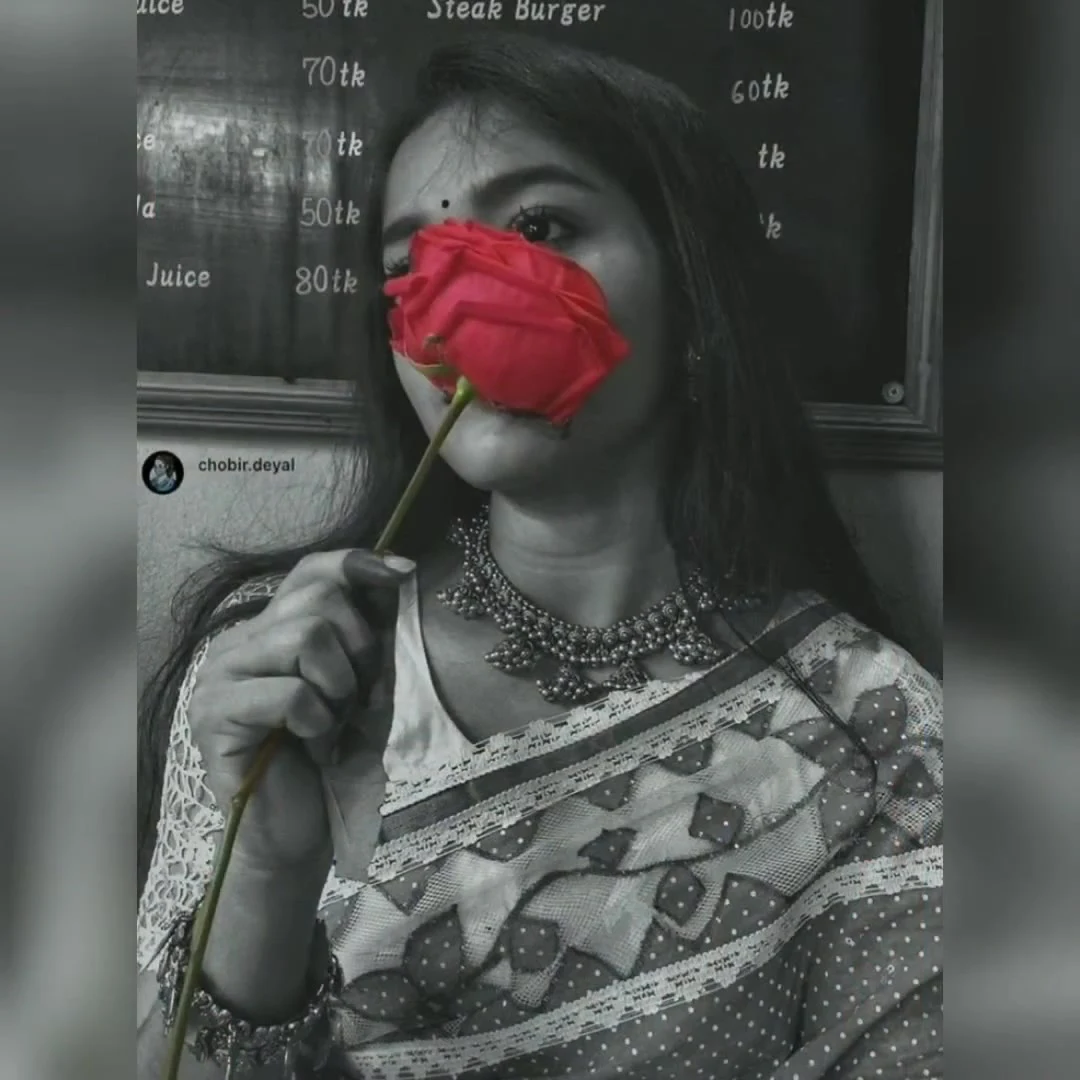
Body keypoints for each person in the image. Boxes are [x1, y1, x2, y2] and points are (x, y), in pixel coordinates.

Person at [136, 34, 943, 1080]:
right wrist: (266, 872)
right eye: (407, 267)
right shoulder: (284, 669)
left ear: (694, 292)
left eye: (539, 227)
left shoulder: (875, 732)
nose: (448, 306)